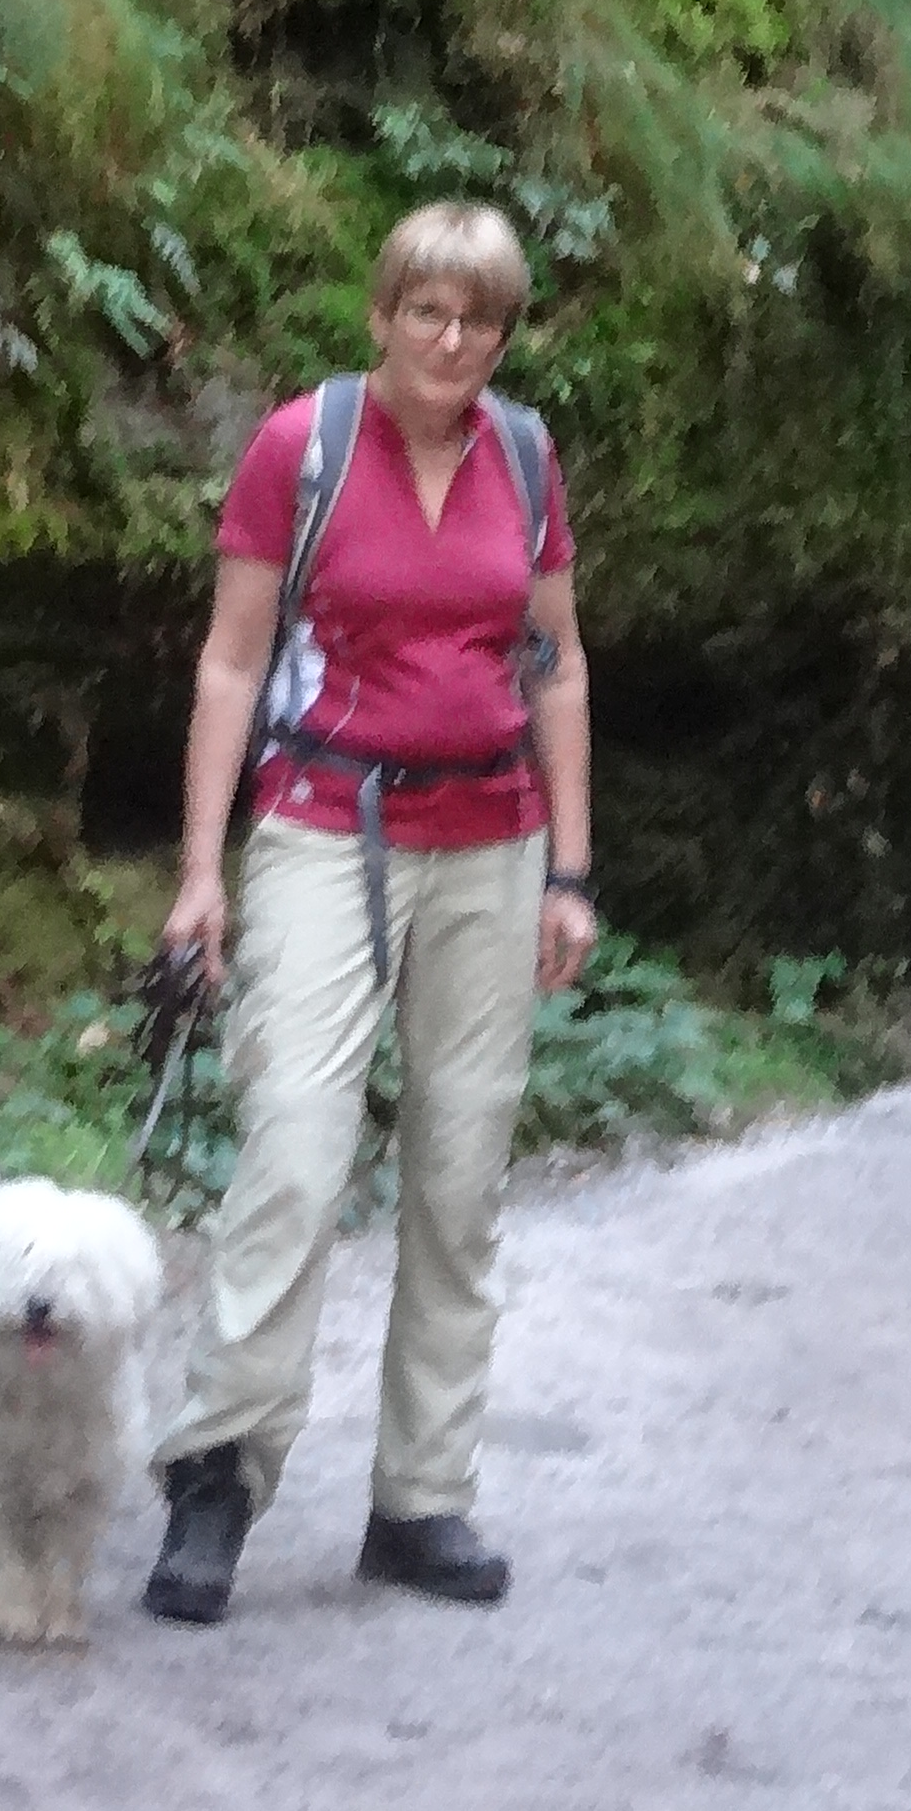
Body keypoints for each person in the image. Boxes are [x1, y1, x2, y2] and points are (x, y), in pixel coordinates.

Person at [141, 200, 596, 1626]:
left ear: (503, 335)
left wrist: (571, 871)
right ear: (383, 313)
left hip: (493, 839)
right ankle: (218, 1474)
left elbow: (556, 663)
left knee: (461, 1180)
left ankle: (421, 1501)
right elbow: (231, 662)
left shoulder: (524, 456)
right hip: (326, 823)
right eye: (427, 312)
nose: (451, 341)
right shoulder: (305, 447)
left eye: (480, 320)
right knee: (293, 1148)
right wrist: (201, 872)